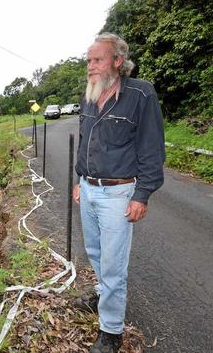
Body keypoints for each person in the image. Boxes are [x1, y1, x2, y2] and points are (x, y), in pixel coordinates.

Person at [73, 33, 165, 353]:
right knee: (95, 253)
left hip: (118, 194)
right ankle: (102, 294)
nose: (91, 66)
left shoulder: (141, 94)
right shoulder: (88, 95)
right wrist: (79, 179)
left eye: (97, 60)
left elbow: (152, 148)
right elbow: (85, 139)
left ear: (117, 62)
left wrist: (142, 194)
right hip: (88, 189)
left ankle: (111, 331)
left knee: (114, 265)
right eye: (88, 61)